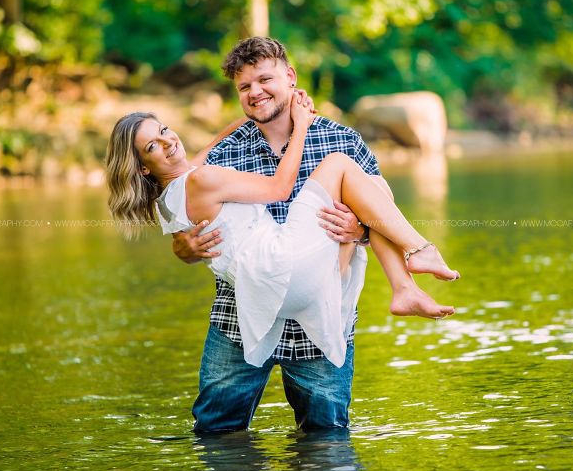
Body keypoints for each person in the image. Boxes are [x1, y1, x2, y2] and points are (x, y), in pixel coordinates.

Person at [105, 38, 459, 432]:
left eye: (265, 79)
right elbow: (199, 219)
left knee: (325, 441)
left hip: (319, 317)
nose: (255, 92)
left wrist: (358, 230)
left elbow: (379, 214)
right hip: (240, 317)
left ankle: (405, 282)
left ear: (290, 78)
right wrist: (183, 248)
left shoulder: (342, 139)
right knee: (216, 430)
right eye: (244, 87)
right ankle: (415, 261)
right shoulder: (221, 159)